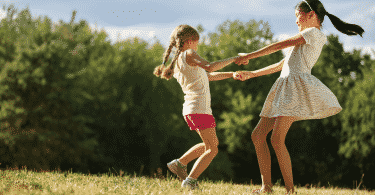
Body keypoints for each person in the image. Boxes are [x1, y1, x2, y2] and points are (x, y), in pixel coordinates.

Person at [233, 0, 364, 194]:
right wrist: (252, 73)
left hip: (295, 88)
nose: (296, 21)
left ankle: (290, 190)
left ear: (311, 15)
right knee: (258, 135)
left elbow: (280, 44)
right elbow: (282, 64)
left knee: (277, 139)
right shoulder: (307, 36)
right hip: (284, 85)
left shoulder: (313, 34)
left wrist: (250, 55)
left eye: (298, 16)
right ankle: (266, 187)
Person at [154, 24, 242, 190]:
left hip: (192, 109)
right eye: (196, 43)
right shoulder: (189, 53)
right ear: (190, 41)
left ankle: (180, 163)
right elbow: (210, 66)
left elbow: (207, 76)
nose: (196, 47)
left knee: (211, 144)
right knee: (212, 149)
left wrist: (231, 74)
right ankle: (190, 181)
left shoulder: (179, 60)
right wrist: (234, 59)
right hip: (199, 108)